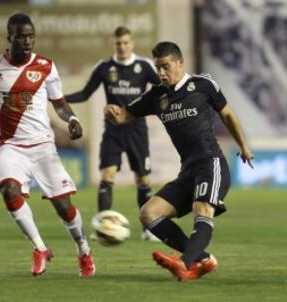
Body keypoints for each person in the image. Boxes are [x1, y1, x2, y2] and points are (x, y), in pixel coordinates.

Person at [0, 13, 95, 277]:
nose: (27, 41)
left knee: (63, 206)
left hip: (43, 146)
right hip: (10, 146)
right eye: (21, 36)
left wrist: (72, 119)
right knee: (9, 190)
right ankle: (40, 247)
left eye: (31, 36)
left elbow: (59, 103)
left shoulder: (46, 66)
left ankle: (84, 250)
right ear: (10, 38)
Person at [104, 41, 254, 281]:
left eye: (166, 66)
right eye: (157, 68)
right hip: (188, 171)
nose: (161, 73)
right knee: (148, 213)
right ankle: (203, 259)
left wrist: (244, 147)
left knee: (202, 209)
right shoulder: (157, 96)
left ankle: (183, 263)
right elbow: (123, 116)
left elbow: (226, 113)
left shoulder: (203, 85)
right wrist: (111, 113)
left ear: (180, 62)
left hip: (210, 162)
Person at [65, 26, 161, 241]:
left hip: (137, 129)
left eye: (126, 42)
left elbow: (162, 89)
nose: (122, 47)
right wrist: (59, 99)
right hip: (113, 129)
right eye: (119, 43)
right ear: (113, 43)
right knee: (107, 176)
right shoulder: (104, 67)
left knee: (143, 179)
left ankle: (148, 229)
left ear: (132, 43)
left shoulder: (144, 66)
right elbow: (85, 93)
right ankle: (102, 226)